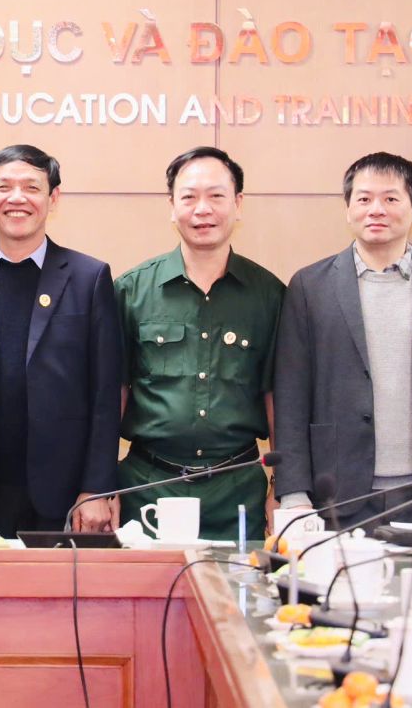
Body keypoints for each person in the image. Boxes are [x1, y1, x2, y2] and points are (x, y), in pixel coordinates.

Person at [273, 152, 412, 530]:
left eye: (391, 198)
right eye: (364, 199)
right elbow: (291, 397)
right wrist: (294, 494)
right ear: (348, 209)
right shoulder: (310, 287)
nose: (376, 209)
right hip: (337, 497)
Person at [0, 145, 122, 536]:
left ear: (53, 197)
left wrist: (96, 488)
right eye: (3, 187)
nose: (16, 198)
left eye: (31, 187)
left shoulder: (89, 278)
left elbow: (105, 396)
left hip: (62, 493)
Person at [115, 147, 283, 541]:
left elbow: (278, 397)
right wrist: (101, 486)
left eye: (216, 196)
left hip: (238, 489)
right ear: (172, 206)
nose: (202, 209)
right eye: (189, 197)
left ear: (238, 203)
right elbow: (112, 394)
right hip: (148, 486)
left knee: (240, 582)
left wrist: (282, 488)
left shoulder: (269, 295)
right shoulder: (131, 291)